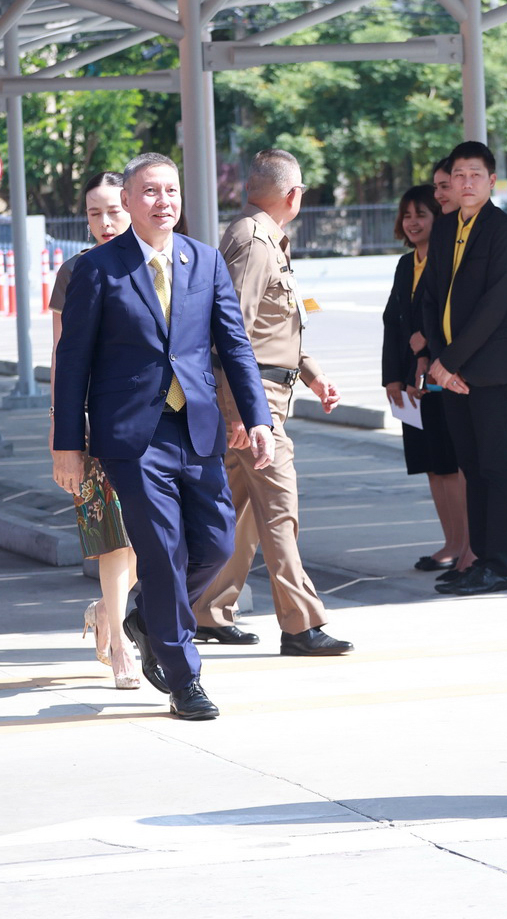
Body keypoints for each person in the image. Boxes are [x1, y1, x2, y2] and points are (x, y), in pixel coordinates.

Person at [52, 152, 274, 721]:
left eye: (171, 191)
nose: (163, 201)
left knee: (216, 545)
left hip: (194, 425)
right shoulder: (98, 269)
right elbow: (71, 361)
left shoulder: (204, 261)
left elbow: (235, 346)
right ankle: (183, 677)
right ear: (127, 202)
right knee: (161, 549)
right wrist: (67, 444)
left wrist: (258, 419)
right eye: (150, 192)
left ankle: (147, 616)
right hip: (131, 436)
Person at [193, 150, 352, 657]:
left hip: (264, 395)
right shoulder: (253, 241)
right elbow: (228, 329)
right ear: (293, 194)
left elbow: (272, 326)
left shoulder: (263, 238)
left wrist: (313, 374)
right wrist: (239, 410)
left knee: (238, 514)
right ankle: (301, 625)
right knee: (280, 511)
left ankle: (208, 610)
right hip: (253, 401)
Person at [418, 141, 507, 597]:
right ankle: (477, 558)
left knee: (495, 467)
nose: (465, 183)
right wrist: (438, 364)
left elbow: (493, 305)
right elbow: (430, 298)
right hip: (450, 370)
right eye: (458, 175)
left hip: (488, 370)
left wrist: (448, 362)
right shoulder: (443, 230)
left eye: (475, 175)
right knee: (470, 466)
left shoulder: (503, 230)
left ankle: (498, 564)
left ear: (491, 181)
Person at [50, 171, 141, 690]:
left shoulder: (156, 261)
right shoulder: (77, 271)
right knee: (112, 534)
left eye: (113, 211)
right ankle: (122, 643)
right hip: (92, 423)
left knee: (143, 540)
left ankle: (107, 611)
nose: (104, 223)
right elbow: (63, 356)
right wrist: (63, 430)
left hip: (150, 424)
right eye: (93, 213)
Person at [382, 184, 469, 575]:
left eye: (422, 214)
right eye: (408, 215)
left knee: (450, 463)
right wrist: (392, 378)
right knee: (432, 465)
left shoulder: (445, 260)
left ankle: (465, 544)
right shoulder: (406, 264)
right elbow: (392, 324)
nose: (413, 222)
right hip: (410, 379)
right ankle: (450, 541)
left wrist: (426, 353)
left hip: (438, 374)